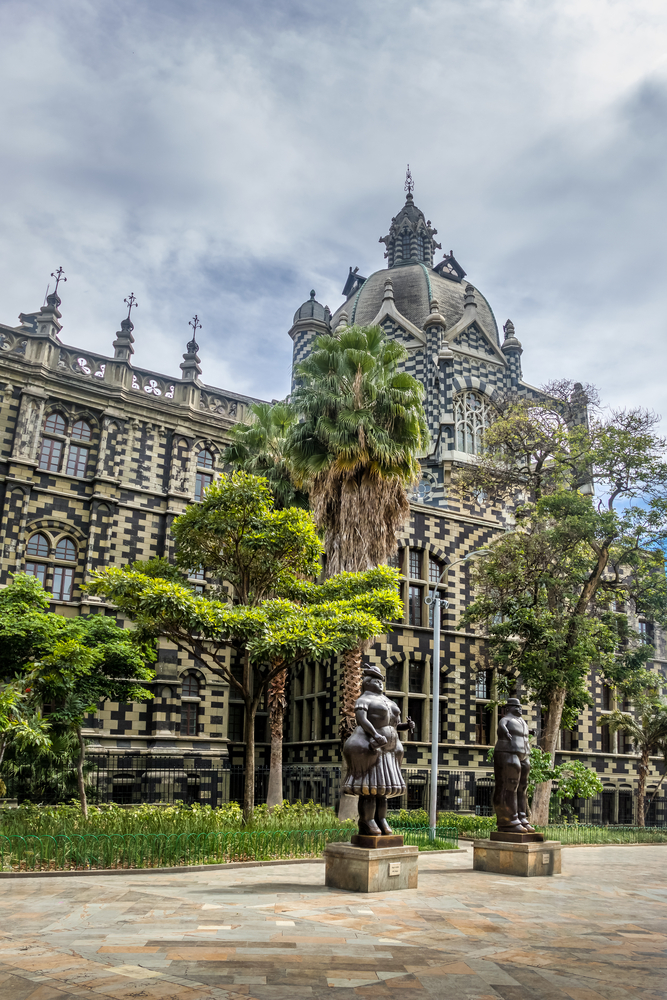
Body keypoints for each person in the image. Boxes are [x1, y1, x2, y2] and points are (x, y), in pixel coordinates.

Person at [342, 663, 415, 836]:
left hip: (389, 751)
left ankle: (381, 819)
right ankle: (367, 821)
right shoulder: (364, 699)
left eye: (381, 680)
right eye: (375, 680)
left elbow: (394, 724)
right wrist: (374, 735)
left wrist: (406, 726)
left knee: (382, 791)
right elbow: (362, 720)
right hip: (371, 749)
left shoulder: (388, 701)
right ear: (367, 682)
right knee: (369, 789)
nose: (380, 683)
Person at [493, 697, 536, 833]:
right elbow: (501, 726)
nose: (519, 709)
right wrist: (505, 731)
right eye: (515, 707)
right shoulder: (506, 719)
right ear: (508, 708)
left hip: (523, 755)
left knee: (522, 786)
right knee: (509, 784)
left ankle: (522, 818)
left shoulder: (521, 721)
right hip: (507, 752)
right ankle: (509, 820)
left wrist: (530, 732)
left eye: (520, 707)